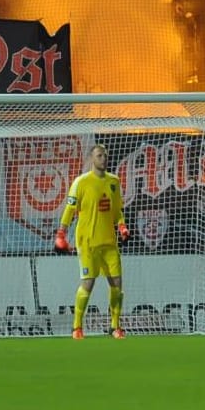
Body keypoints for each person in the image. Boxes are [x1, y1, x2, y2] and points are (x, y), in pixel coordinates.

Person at [54, 144, 129, 340]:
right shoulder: (81, 182)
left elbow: (117, 210)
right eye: (99, 155)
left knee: (117, 284)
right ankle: (77, 327)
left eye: (105, 155)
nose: (103, 159)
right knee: (88, 283)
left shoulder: (114, 181)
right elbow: (70, 209)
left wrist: (122, 227)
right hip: (87, 242)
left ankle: (115, 327)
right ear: (91, 159)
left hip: (109, 242)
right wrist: (61, 234)